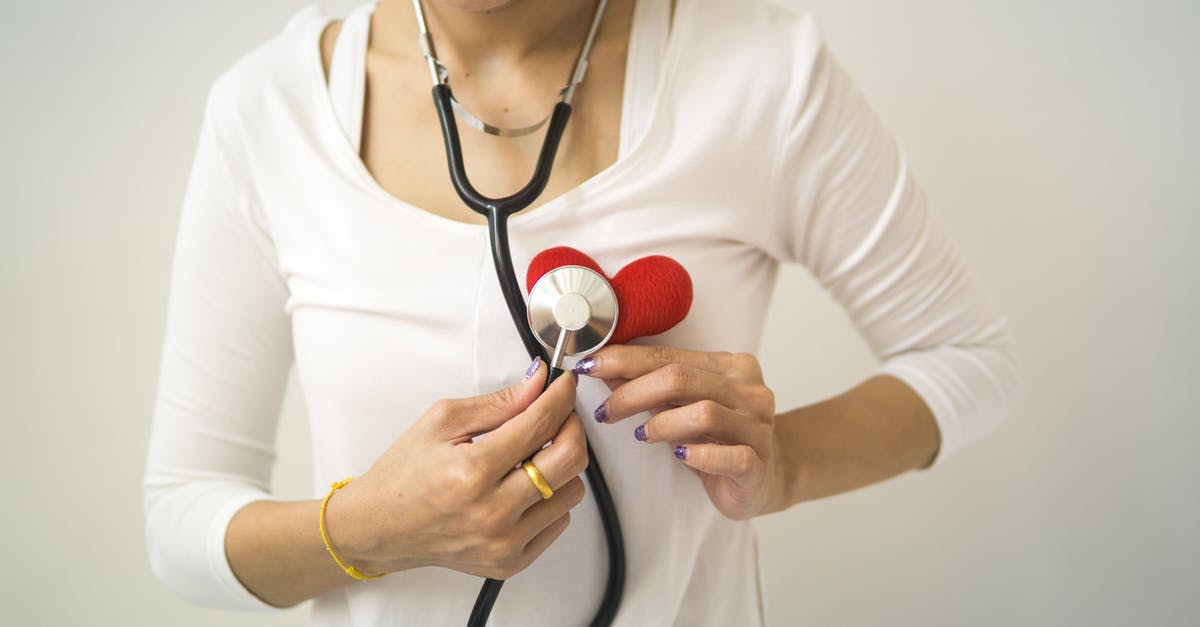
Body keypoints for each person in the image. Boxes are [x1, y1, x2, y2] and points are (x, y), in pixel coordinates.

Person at [142, 0, 1023, 625]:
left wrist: (781, 462)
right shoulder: (269, 112)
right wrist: (370, 529)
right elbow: (180, 519)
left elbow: (967, 358)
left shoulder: (763, 74)